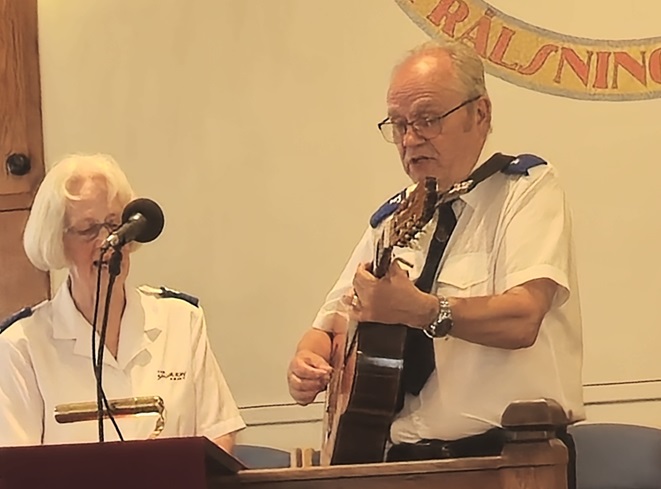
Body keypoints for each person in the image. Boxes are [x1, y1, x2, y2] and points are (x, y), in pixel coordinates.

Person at [287, 40, 584, 485]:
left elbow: (522, 319)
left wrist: (423, 310)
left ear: (479, 114)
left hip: (507, 459)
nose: (410, 139)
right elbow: (329, 326)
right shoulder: (391, 221)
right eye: (400, 124)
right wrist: (306, 363)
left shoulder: (525, 190)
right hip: (401, 461)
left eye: (427, 120)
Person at [0, 154, 245, 452]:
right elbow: (15, 470)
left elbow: (219, 433)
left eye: (116, 225)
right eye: (88, 229)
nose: (107, 241)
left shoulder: (181, 320)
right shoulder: (21, 345)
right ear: (57, 240)